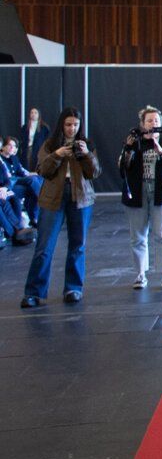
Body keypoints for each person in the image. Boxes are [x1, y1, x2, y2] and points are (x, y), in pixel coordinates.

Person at [21, 107, 100, 308]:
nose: (71, 129)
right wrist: (57, 154)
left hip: (80, 198)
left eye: (75, 124)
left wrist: (85, 155)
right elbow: (42, 170)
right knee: (44, 246)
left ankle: (73, 288)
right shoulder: (50, 144)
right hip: (52, 198)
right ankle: (34, 292)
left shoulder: (86, 145)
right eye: (68, 124)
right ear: (61, 125)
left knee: (77, 245)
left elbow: (94, 173)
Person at [120, 106, 162, 290]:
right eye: (149, 120)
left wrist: (160, 150)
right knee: (137, 235)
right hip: (137, 192)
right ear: (142, 123)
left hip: (161, 191)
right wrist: (129, 148)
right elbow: (122, 164)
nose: (153, 123)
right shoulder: (133, 141)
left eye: (156, 120)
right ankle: (140, 274)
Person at [1, 135, 43, 228]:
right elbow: (8, 177)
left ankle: (33, 219)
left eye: (14, 146)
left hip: (18, 182)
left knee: (38, 180)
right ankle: (43, 201)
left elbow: (23, 172)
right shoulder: (1, 160)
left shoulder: (14, 158)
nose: (13, 148)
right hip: (10, 183)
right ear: (3, 147)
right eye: (10, 145)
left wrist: (36, 174)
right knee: (32, 180)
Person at [19, 107, 50, 172]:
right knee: (27, 164)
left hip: (39, 149)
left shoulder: (44, 127)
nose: (33, 114)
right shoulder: (25, 127)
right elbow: (22, 138)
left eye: (35, 113)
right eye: (32, 112)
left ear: (39, 115)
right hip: (27, 148)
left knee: (36, 163)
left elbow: (47, 139)